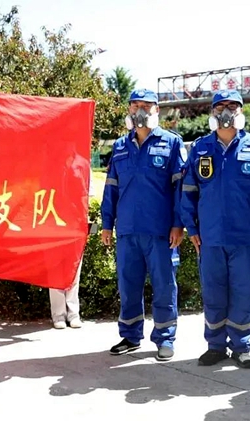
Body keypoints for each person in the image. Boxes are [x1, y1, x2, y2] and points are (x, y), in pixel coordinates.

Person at [179, 89, 250, 368]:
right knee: (213, 294)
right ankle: (216, 346)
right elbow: (188, 191)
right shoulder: (200, 148)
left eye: (233, 106)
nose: (226, 112)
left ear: (241, 111)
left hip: (245, 238)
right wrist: (191, 228)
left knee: (244, 294)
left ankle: (242, 346)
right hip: (210, 237)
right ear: (212, 112)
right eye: (220, 107)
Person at [101, 88, 186, 362]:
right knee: (128, 286)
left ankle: (165, 338)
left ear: (156, 110)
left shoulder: (171, 143)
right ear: (129, 109)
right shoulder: (120, 146)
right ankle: (130, 335)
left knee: (164, 286)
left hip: (161, 232)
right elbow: (111, 188)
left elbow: (180, 189)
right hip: (128, 231)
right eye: (135, 105)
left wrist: (178, 224)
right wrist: (107, 223)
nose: (140, 110)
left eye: (146, 106)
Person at [49, 167, 96, 329]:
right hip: (53, 221)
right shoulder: (50, 164)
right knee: (55, 269)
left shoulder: (83, 165)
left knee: (74, 268)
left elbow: (88, 197)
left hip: (75, 223)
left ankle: (73, 314)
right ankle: (58, 315)